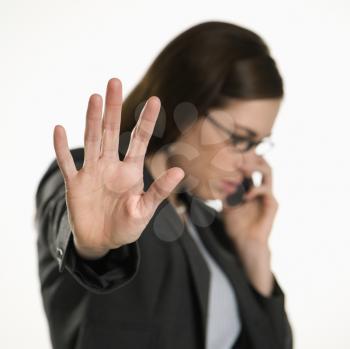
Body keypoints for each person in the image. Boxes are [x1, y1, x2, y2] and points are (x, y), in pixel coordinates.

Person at [34, 21, 293, 349]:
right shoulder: (95, 184)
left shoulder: (211, 228)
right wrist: (92, 247)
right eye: (240, 139)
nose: (250, 161)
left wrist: (254, 250)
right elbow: (72, 225)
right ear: (187, 106)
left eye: (258, 145)